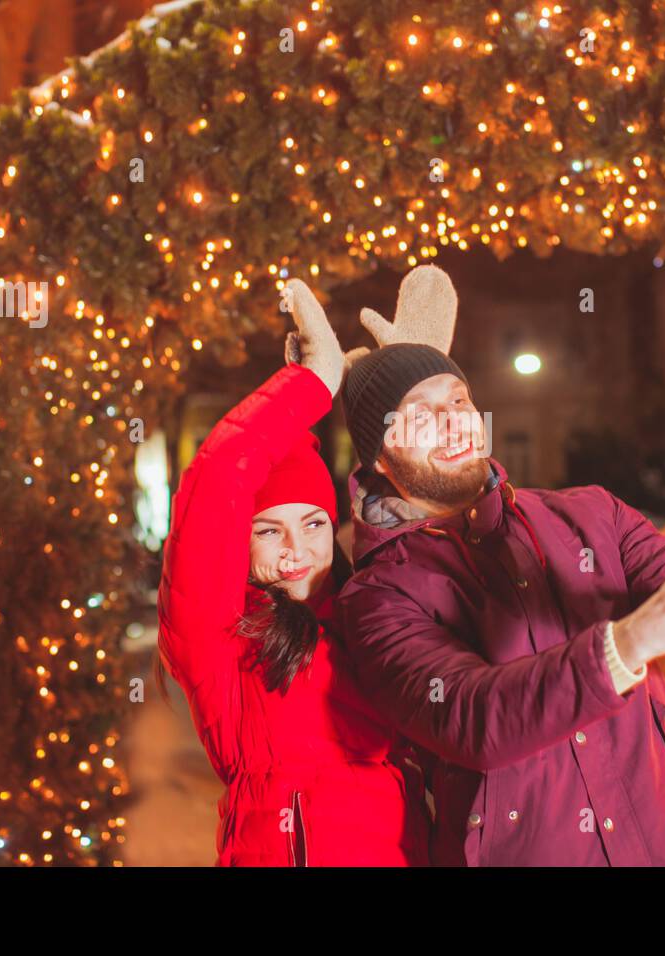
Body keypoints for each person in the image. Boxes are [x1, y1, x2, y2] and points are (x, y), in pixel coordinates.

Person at [335, 266, 665, 866]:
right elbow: (474, 719)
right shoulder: (376, 596)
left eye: (459, 400)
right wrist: (634, 640)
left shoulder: (594, 513)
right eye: (418, 415)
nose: (452, 422)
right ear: (381, 461)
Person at [155, 279, 430, 866]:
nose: (295, 549)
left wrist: (414, 399)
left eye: (311, 524)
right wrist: (312, 384)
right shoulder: (221, 641)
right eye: (267, 530)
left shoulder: (383, 615)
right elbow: (213, 488)